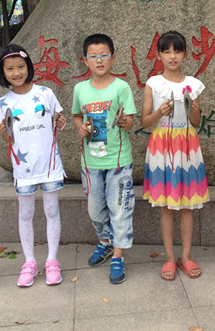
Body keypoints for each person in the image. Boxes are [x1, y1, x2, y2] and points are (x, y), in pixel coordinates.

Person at [0, 44, 67, 288]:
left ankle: (52, 260)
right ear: (2, 72)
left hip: (49, 164)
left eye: (21, 67)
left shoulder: (46, 93)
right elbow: (7, 138)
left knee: (52, 211)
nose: (16, 73)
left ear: (29, 67)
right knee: (25, 214)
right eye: (10, 69)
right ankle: (29, 262)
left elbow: (59, 123)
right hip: (23, 169)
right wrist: (4, 132)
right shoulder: (2, 103)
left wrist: (61, 121)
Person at [141, 31, 209, 281]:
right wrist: (159, 112)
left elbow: (196, 121)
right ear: (158, 55)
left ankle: (186, 256)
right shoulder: (153, 83)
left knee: (187, 206)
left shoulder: (193, 84)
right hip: (161, 145)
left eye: (177, 51)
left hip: (187, 145)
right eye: (167, 51)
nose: (172, 56)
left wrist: (194, 108)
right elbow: (145, 121)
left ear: (185, 54)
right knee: (166, 207)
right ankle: (170, 258)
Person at [72, 33, 136, 284]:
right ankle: (105, 242)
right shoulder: (80, 89)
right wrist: (80, 127)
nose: (99, 60)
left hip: (118, 161)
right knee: (95, 210)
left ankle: (118, 257)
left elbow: (130, 121)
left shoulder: (121, 87)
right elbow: (77, 115)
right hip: (90, 163)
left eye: (104, 55)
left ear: (113, 58)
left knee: (120, 209)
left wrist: (124, 122)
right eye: (93, 56)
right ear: (85, 61)